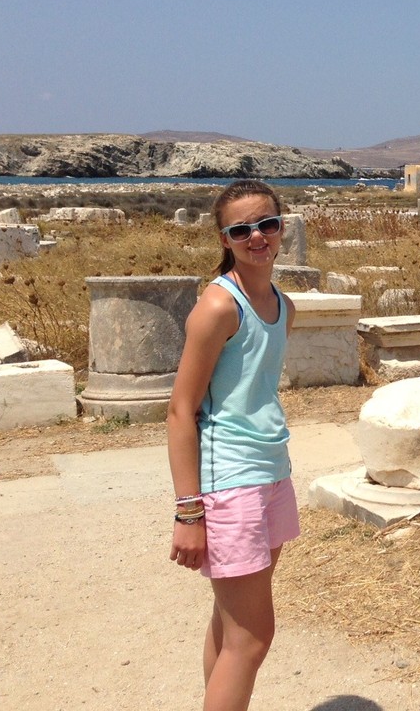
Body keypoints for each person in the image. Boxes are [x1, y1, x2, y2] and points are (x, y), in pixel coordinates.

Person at [167, 179, 298, 711]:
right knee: (252, 639)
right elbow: (180, 410)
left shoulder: (283, 305)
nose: (257, 237)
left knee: (230, 626)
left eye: (266, 224)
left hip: (271, 471)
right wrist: (188, 511)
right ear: (225, 238)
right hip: (231, 483)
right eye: (241, 230)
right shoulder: (220, 307)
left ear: (281, 227)